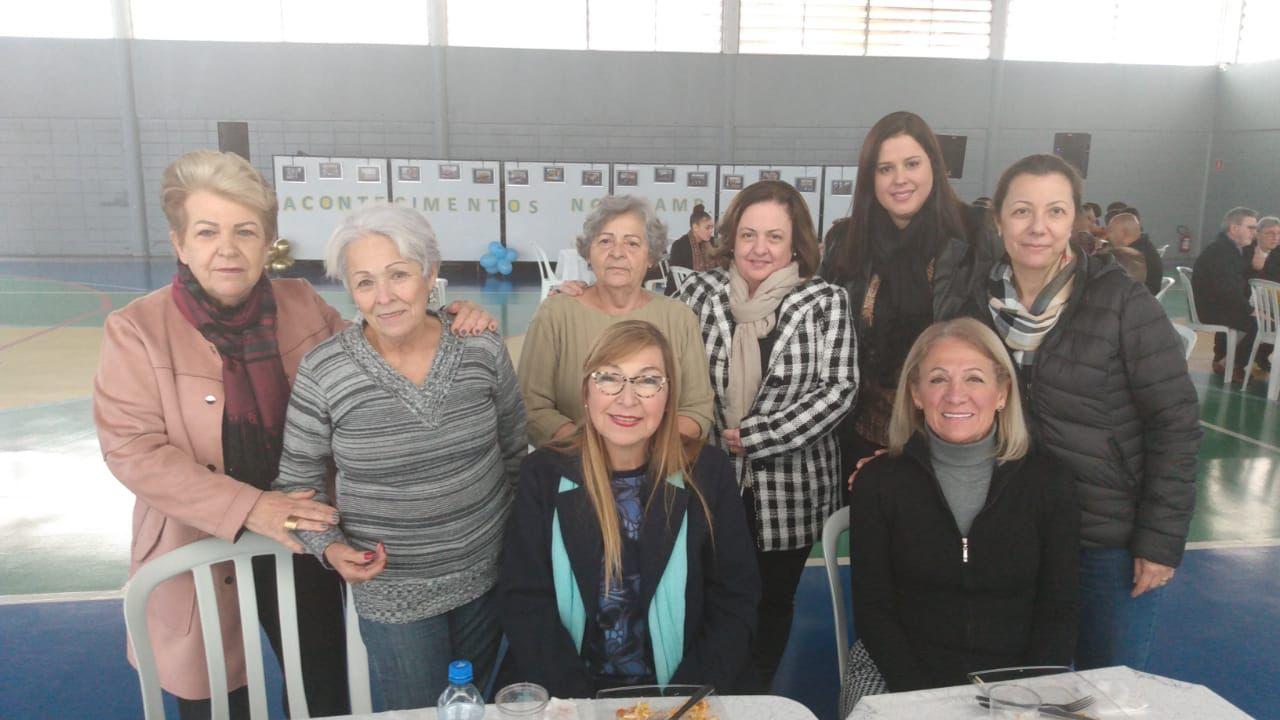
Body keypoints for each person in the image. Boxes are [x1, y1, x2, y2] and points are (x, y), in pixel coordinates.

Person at [92, 150, 497, 719]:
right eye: (207, 232)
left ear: (268, 244)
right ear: (180, 244)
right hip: (200, 540)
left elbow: (374, 344)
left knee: (321, 689)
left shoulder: (301, 303)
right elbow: (133, 451)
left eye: (245, 231)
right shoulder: (136, 330)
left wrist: (445, 317)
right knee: (215, 698)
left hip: (304, 532)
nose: (227, 248)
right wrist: (251, 507)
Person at [272, 204, 526, 710]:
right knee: (415, 710)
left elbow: (514, 449)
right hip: (393, 594)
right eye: (365, 282)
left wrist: (518, 550)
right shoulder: (325, 371)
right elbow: (296, 485)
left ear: (431, 274)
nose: (384, 297)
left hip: (487, 578)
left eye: (399, 275)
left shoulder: (480, 348)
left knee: (472, 707)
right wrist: (330, 548)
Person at [974, 153, 1201, 672]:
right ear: (999, 220)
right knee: (1021, 686)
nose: (1038, 227)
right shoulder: (975, 303)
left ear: (1074, 220)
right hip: (1015, 535)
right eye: (1022, 211)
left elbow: (1175, 424)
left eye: (1055, 211)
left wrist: (1159, 541)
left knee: (1107, 690)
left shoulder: (1122, 302)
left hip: (1107, 542)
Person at [499, 320, 760, 696]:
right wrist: (580, 704)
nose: (627, 399)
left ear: (668, 397)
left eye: (648, 381)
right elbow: (524, 601)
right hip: (569, 691)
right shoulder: (542, 474)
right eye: (609, 378)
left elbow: (734, 599)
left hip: (683, 691)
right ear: (586, 391)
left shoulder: (708, 472)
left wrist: (681, 699)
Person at [678, 180, 857, 690]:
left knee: (773, 602)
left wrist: (758, 435)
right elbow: (642, 325)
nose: (759, 248)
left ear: (795, 244)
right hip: (708, 481)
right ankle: (707, 691)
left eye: (774, 237)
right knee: (704, 595)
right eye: (749, 234)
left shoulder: (825, 302)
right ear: (731, 238)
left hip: (791, 491)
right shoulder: (697, 293)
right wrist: (582, 292)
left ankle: (754, 694)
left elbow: (839, 389)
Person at [843, 318, 1078, 707]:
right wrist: (927, 701)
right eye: (938, 379)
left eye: (974, 379)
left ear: (1002, 393)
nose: (955, 395)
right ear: (916, 394)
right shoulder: (878, 482)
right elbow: (874, 611)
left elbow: (1060, 609)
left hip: (1020, 678)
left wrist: (1022, 696)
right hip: (900, 672)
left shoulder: (1049, 481)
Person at [819, 110, 986, 486]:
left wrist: (916, 449)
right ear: (870, 178)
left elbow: (985, 347)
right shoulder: (845, 243)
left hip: (949, 436)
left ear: (934, 166)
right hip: (860, 438)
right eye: (885, 169)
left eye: (912, 164)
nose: (900, 179)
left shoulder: (974, 235)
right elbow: (828, 348)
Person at [518, 196, 715, 447]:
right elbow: (532, 406)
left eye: (632, 243)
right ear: (588, 253)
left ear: (651, 257)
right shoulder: (555, 314)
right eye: (605, 241)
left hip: (659, 463)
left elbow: (697, 410)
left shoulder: (679, 318)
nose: (617, 253)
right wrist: (595, 454)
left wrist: (641, 456)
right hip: (574, 459)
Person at [1193, 206, 1260, 382]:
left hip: (1217, 305)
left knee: (1257, 318)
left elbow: (1237, 283)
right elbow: (1228, 289)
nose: (1254, 233)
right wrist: (1250, 310)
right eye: (1250, 228)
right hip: (1212, 310)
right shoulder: (1221, 252)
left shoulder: (1229, 249)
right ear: (1234, 228)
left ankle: (1223, 359)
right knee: (1260, 324)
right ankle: (1233, 364)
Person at [1107, 212, 1162, 295]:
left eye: (1110, 231)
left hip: (1136, 299)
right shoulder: (1145, 246)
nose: (1107, 235)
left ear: (1123, 233)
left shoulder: (1130, 256)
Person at [668, 203, 716, 273]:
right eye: (707, 228)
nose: (711, 231)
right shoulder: (679, 246)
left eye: (712, 227)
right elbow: (674, 275)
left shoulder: (713, 242)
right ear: (695, 227)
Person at [1247, 215, 1280, 282]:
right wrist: (1255, 269)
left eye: (1279, 233)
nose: (1276, 238)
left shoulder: (1278, 252)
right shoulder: (1245, 251)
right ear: (1257, 234)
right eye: (1270, 233)